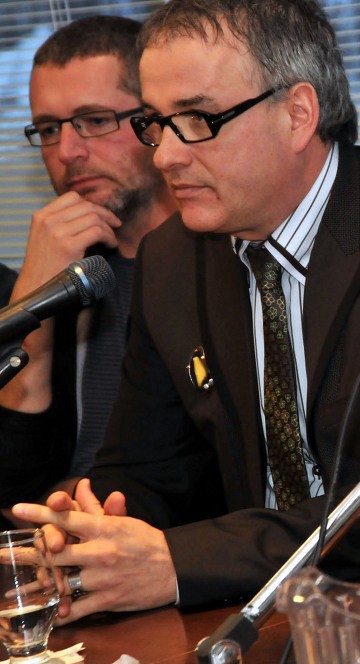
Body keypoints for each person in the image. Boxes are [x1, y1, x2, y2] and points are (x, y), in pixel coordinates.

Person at [11, 0, 360, 622]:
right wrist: (93, 530)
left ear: (298, 114)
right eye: (155, 122)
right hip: (266, 614)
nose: (165, 155)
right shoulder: (174, 257)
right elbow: (145, 467)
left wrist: (176, 562)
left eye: (196, 118)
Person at [0, 16, 176, 511]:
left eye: (96, 121)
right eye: (49, 129)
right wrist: (34, 297)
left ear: (154, 122)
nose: (68, 152)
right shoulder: (65, 269)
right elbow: (11, 486)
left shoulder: (221, 262)